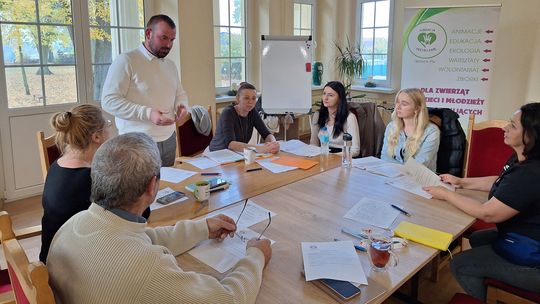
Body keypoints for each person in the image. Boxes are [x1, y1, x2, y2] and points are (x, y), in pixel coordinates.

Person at [47, 132, 272, 304]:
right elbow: (228, 299)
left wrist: (202, 228)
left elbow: (142, 238)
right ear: (152, 185)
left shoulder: (73, 225)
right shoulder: (145, 269)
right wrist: (255, 256)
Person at [424, 102, 540, 301]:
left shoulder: (531, 173)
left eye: (512, 125)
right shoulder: (522, 158)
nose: (505, 128)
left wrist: (447, 194)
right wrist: (461, 182)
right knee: (477, 239)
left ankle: (487, 298)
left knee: (459, 264)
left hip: (534, 261)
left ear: (530, 135)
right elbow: (501, 180)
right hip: (523, 236)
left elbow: (488, 213)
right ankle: (493, 286)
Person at [101, 14, 188, 166]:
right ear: (149, 33)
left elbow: (179, 93)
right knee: (138, 190)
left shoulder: (170, 65)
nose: (168, 45)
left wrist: (182, 105)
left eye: (172, 40)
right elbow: (109, 101)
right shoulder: (126, 61)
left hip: (168, 140)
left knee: (166, 188)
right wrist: (148, 113)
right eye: (164, 38)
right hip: (136, 143)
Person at [209, 82, 279, 153]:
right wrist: (259, 148)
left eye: (254, 98)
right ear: (238, 98)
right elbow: (230, 144)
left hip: (236, 153)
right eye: (246, 98)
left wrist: (273, 144)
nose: (250, 102)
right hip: (217, 153)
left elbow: (266, 134)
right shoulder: (228, 113)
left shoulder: (252, 112)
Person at [381, 88, 440, 171]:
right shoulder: (391, 126)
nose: (398, 107)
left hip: (419, 179)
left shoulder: (431, 132)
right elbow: (385, 157)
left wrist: (396, 169)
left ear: (417, 108)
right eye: (397, 102)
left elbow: (420, 164)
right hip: (393, 175)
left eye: (404, 104)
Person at [310, 81, 360, 157]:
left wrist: (332, 157)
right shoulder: (318, 115)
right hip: (324, 156)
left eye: (330, 95)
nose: (325, 98)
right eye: (324, 94)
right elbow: (314, 143)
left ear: (340, 99)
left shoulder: (349, 117)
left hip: (343, 157)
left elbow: (355, 150)